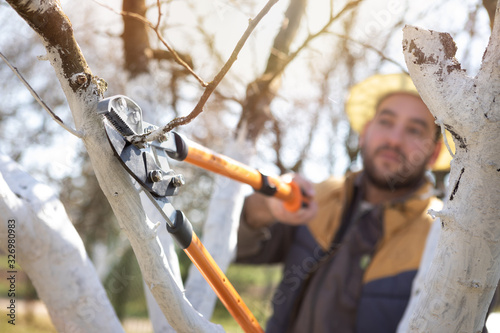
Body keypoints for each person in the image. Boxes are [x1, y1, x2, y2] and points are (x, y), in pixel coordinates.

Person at [236, 73, 453, 333]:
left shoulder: (444, 237)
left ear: (434, 152)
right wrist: (269, 204)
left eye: (415, 130)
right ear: (364, 133)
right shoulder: (319, 196)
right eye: (386, 122)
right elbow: (240, 249)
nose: (394, 140)